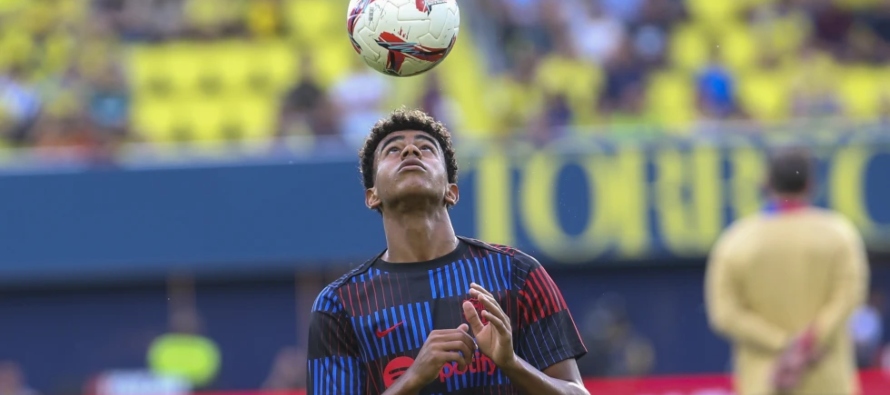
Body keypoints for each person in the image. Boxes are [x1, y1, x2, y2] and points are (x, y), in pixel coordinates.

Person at [306, 108, 588, 394]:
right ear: (372, 195)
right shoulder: (339, 305)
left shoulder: (518, 274)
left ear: (451, 191)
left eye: (426, 148)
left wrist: (511, 362)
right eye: (393, 150)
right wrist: (414, 377)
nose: (411, 150)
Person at [705, 147, 869, 395]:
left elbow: (725, 314)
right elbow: (848, 298)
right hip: (827, 381)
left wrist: (783, 344)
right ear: (811, 185)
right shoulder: (839, 235)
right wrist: (807, 343)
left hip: (764, 383)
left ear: (767, 183)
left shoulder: (735, 241)